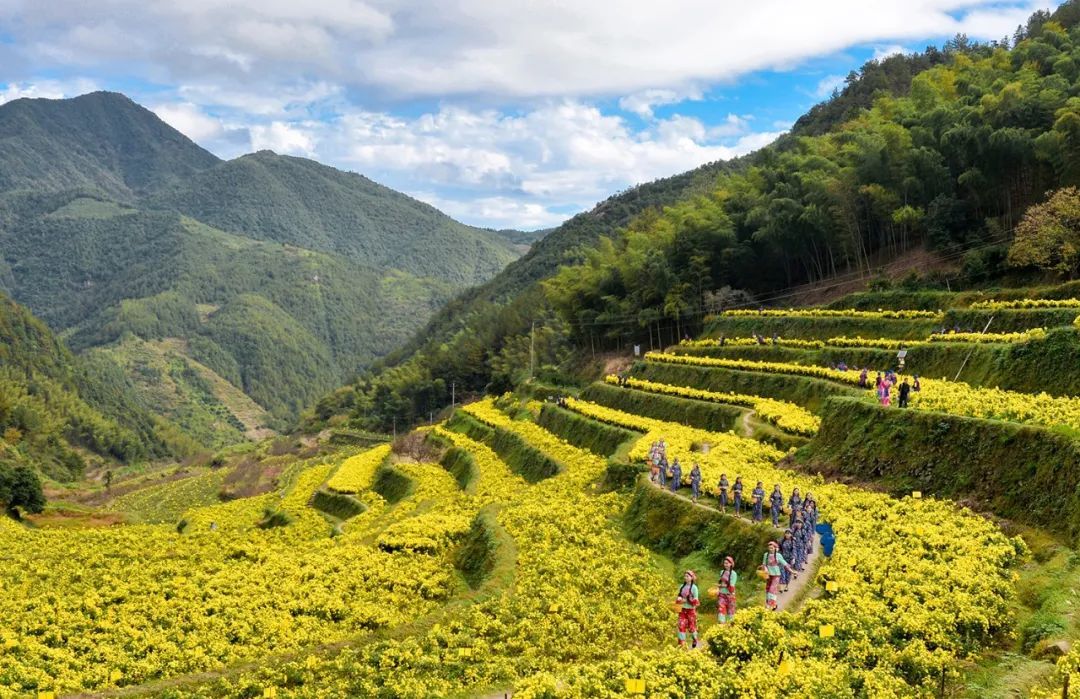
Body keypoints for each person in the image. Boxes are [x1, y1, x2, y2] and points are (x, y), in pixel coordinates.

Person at [761, 541, 794, 611]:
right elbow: (764, 564)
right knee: (768, 588)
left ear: (775, 548)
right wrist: (765, 569)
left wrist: (791, 571)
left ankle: (769, 605)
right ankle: (772, 604)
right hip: (768, 574)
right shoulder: (766, 555)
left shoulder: (778, 555)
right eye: (769, 548)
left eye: (772, 548)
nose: (770, 549)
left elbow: (784, 564)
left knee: (772, 589)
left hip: (776, 574)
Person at [676, 570, 700, 648]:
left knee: (691, 628)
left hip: (691, 611)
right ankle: (682, 644)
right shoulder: (681, 586)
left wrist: (687, 600)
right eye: (685, 576)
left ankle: (695, 639)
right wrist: (679, 599)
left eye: (687, 576)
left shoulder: (694, 588)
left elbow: (696, 601)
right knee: (681, 625)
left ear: (691, 578)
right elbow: (678, 597)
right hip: (682, 610)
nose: (685, 578)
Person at [716, 557, 738, 624]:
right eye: (724, 563)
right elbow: (721, 582)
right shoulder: (722, 572)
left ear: (731, 564)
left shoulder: (733, 574)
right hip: (722, 595)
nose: (725, 565)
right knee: (721, 611)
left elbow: (731, 586)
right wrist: (718, 589)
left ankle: (730, 629)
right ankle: (721, 627)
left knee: (731, 613)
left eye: (727, 563)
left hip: (730, 596)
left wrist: (722, 585)